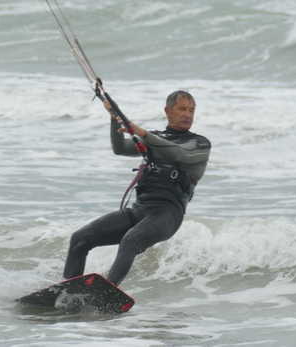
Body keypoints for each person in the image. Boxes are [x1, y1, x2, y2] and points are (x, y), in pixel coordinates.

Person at [63, 90, 211, 286]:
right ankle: (67, 289)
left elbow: (179, 155)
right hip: (139, 210)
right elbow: (120, 148)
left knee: (130, 241)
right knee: (80, 239)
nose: (187, 114)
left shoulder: (199, 144)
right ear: (167, 111)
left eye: (191, 110)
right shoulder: (155, 139)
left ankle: (107, 291)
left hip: (168, 214)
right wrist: (115, 118)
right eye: (182, 109)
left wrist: (142, 133)